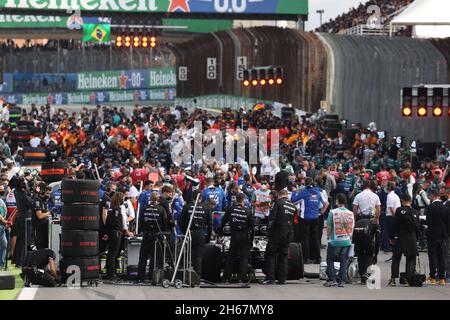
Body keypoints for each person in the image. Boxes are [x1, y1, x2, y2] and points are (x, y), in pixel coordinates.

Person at [263, 189, 297, 285]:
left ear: (279, 195)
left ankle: (270, 278)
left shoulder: (277, 203)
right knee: (283, 256)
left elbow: (272, 218)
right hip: (288, 234)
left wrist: (268, 231)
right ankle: (282, 279)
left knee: (270, 254)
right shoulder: (292, 206)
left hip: (278, 233)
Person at [220, 193, 254, 284]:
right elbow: (252, 227)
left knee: (231, 257)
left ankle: (226, 278)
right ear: (243, 200)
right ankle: (241, 279)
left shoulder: (230, 209)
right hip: (245, 237)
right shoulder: (249, 211)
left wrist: (219, 231)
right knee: (244, 258)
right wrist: (251, 240)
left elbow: (223, 222)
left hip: (234, 236)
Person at [388, 193, 419, 287]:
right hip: (411, 238)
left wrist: (392, 237)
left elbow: (395, 225)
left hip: (400, 237)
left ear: (402, 201)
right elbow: (417, 228)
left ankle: (393, 279)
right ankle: (408, 280)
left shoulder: (399, 210)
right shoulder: (415, 212)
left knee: (396, 258)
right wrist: (416, 239)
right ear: (410, 200)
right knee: (410, 259)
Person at [324, 193, 355, 287]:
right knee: (344, 260)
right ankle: (342, 280)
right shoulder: (350, 213)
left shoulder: (333, 212)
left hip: (335, 240)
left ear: (337, 201)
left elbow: (329, 226)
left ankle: (333, 279)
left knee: (330, 259)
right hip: (346, 240)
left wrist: (328, 236)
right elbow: (352, 227)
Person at [292, 177, 325, 264]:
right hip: (315, 217)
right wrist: (321, 212)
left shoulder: (303, 192)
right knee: (315, 238)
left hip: (305, 218)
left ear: (305, 184)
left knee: (305, 238)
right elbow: (326, 203)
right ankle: (317, 258)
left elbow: (293, 201)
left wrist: (294, 192)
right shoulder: (318, 192)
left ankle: (306, 258)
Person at [180, 190, 212, 277]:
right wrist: (208, 237)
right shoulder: (206, 208)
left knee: (188, 255)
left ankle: (186, 276)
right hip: (200, 233)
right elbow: (210, 225)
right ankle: (197, 277)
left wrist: (184, 232)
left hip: (189, 232)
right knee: (198, 257)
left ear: (192, 197)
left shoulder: (187, 207)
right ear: (200, 198)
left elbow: (181, 222)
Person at [137, 191, 167, 282]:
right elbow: (164, 223)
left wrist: (141, 231)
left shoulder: (144, 208)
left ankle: (140, 276)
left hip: (146, 234)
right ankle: (151, 277)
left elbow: (140, 222)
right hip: (157, 235)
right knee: (154, 257)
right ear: (158, 199)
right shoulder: (161, 209)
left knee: (143, 256)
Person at [104, 192, 132, 281]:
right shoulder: (119, 209)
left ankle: (110, 273)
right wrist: (127, 231)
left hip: (111, 232)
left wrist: (107, 233)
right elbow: (123, 222)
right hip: (117, 233)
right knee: (114, 254)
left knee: (111, 254)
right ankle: (111, 275)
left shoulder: (111, 209)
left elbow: (107, 222)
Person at [426, 189, 448, 285]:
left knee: (432, 256)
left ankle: (432, 277)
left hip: (432, 234)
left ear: (432, 196)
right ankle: (442, 278)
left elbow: (429, 222)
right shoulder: (444, 207)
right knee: (441, 256)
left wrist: (422, 222)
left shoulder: (431, 207)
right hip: (442, 235)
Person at [31, 184, 51, 250]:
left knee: (45, 246)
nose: (49, 195)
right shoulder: (37, 201)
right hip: (38, 228)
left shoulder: (44, 201)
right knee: (40, 248)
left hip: (44, 228)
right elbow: (40, 216)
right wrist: (49, 213)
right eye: (47, 193)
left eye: (49, 194)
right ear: (42, 192)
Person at [0, 195, 9, 268]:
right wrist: (4, 221)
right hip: (1, 224)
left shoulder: (1, 200)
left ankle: (2, 263)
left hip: (2, 225)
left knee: (4, 245)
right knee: (4, 244)